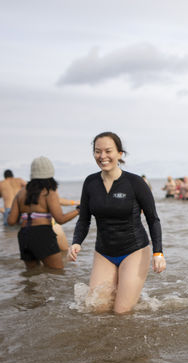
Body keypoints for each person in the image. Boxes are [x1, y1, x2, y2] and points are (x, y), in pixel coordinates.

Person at [69, 132, 166, 313]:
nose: (102, 156)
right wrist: (76, 242)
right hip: (104, 252)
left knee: (121, 312)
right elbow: (84, 219)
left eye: (108, 151)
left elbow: (153, 219)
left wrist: (158, 252)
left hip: (134, 250)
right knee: (96, 309)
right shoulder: (90, 183)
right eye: (98, 152)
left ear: (120, 153)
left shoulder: (135, 183)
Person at [7, 157, 79, 269]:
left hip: (24, 235)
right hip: (42, 234)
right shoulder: (49, 192)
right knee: (57, 273)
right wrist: (79, 210)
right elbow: (60, 219)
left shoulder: (20, 193)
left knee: (31, 275)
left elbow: (11, 221)